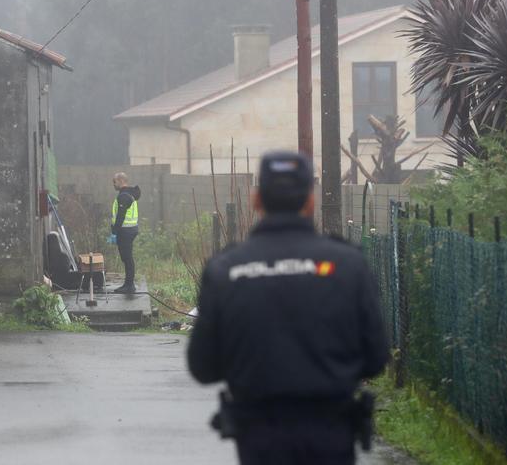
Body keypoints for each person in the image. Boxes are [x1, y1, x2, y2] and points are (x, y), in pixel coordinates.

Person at [186, 151, 389, 465]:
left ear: (256, 201)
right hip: (331, 429)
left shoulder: (226, 268)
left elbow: (202, 367)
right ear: (311, 201)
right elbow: (376, 358)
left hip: (258, 434)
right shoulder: (348, 264)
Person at [110, 172, 140, 294]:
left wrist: (114, 232)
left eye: (114, 182)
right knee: (127, 258)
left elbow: (120, 216)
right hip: (130, 230)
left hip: (125, 231)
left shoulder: (123, 196)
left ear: (121, 181)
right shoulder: (129, 194)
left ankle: (129, 285)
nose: (113, 185)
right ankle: (128, 284)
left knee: (127, 258)